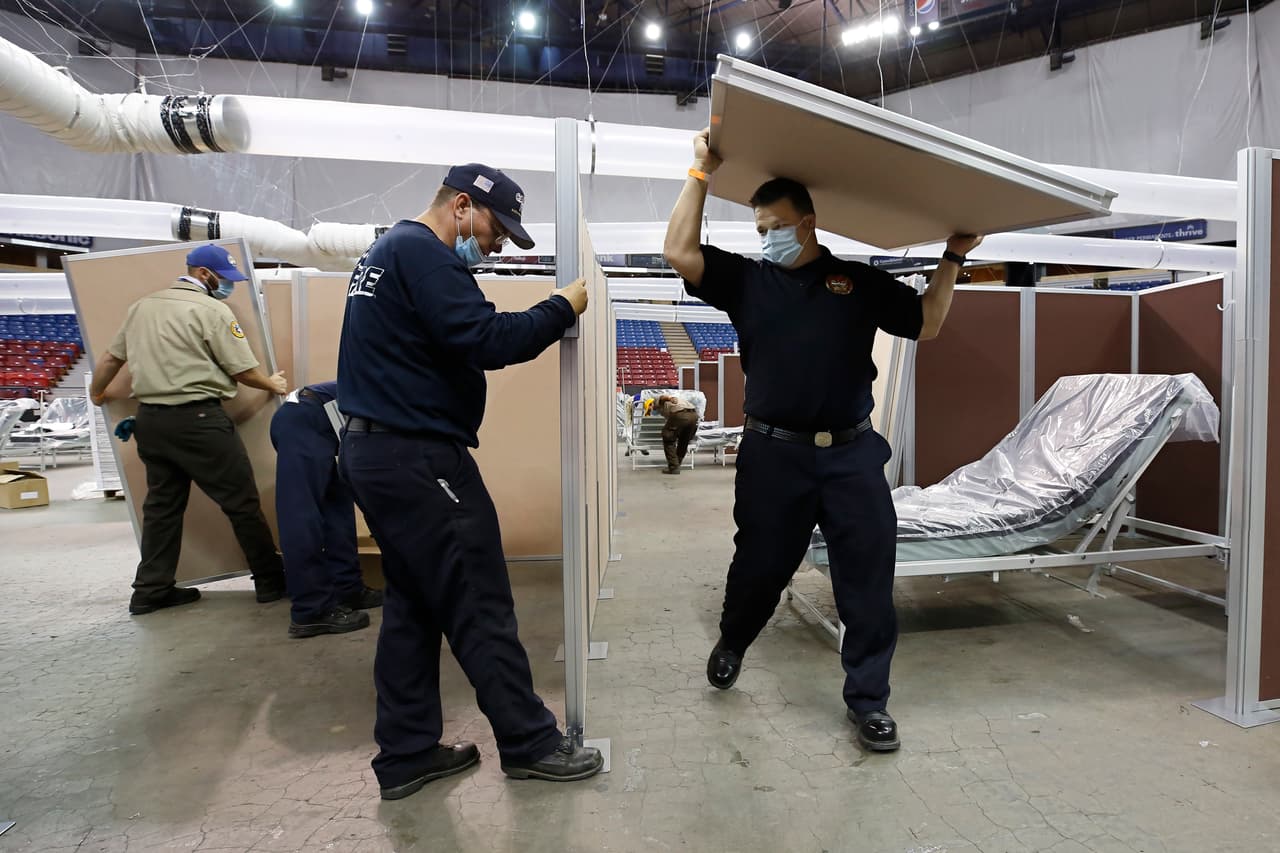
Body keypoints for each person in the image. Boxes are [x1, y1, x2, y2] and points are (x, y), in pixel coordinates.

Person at [662, 128, 982, 753]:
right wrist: (701, 172)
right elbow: (678, 250)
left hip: (850, 454)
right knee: (759, 565)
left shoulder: (857, 285)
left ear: (807, 223)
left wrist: (953, 256)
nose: (766, 239)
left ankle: (869, 701)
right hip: (772, 454)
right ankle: (734, 639)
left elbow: (930, 322)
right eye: (759, 231)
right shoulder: (748, 281)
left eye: (775, 226)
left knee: (866, 574)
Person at [336, 163, 604, 801]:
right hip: (420, 461)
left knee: (414, 606)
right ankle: (530, 743)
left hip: (378, 454)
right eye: (494, 230)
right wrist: (561, 304)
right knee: (479, 599)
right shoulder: (425, 256)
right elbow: (487, 338)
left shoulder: (385, 251)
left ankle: (406, 754)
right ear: (461, 205)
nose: (494, 247)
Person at [88, 244, 289, 616]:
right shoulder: (213, 310)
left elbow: (111, 358)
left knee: (163, 508)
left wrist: (97, 393)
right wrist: (271, 384)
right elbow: (242, 370)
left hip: (151, 421)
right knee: (240, 503)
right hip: (198, 422)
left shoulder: (142, 307)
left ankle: (151, 590)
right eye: (224, 279)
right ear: (203, 274)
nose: (227, 286)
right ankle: (270, 582)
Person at [269, 381, 383, 639]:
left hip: (330, 427)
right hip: (304, 417)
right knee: (301, 513)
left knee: (338, 510)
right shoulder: (405, 395)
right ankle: (311, 610)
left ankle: (348, 589)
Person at [655, 393, 698, 474]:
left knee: (668, 437)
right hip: (694, 415)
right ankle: (677, 463)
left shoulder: (658, 400)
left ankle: (674, 467)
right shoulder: (677, 399)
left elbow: (662, 399)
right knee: (684, 440)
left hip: (680, 414)